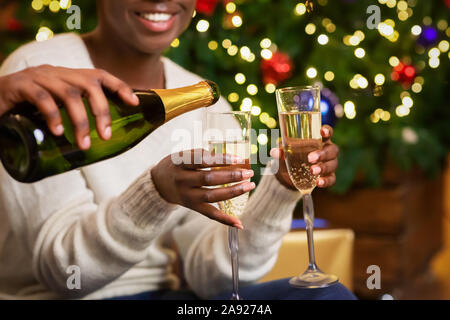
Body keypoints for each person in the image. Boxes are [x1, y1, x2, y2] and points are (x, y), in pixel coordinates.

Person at [0, 0, 354, 300]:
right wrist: (155, 193)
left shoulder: (203, 101)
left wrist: (282, 186)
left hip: (168, 298)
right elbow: (65, 274)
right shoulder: (36, 74)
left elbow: (213, 278)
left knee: (326, 296)